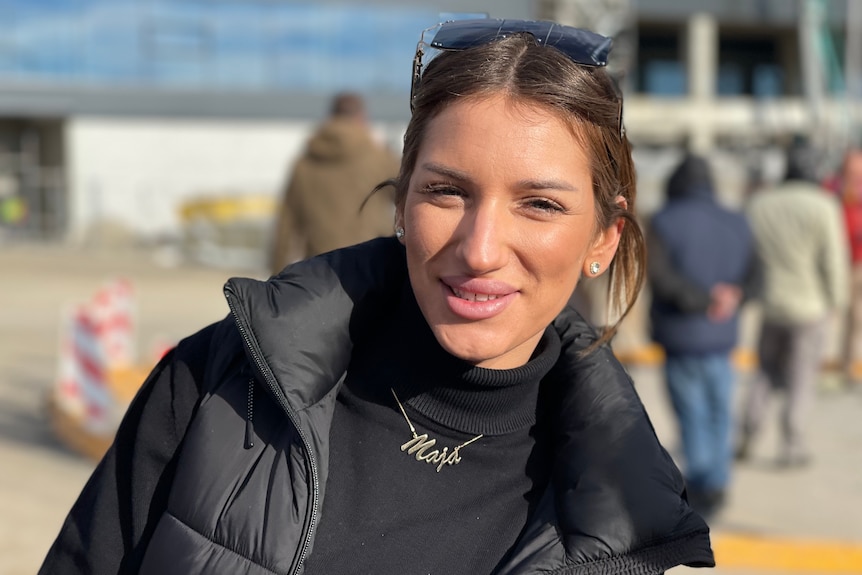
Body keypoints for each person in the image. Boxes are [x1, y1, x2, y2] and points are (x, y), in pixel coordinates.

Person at [40, 19, 714, 574]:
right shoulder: (218, 382)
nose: (480, 249)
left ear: (604, 238)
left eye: (538, 204)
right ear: (401, 201)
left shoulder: (627, 525)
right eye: (447, 191)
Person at [647, 153, 759, 519]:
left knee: (692, 412)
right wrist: (732, 296)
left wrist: (701, 300)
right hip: (723, 336)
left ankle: (703, 486)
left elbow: (661, 279)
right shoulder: (737, 222)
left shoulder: (663, 221)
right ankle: (719, 479)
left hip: (680, 336)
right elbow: (757, 275)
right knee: (720, 411)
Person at [738, 142, 849, 468]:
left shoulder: (759, 204)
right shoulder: (824, 205)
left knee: (764, 371)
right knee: (801, 379)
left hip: (770, 302)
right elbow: (833, 259)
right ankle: (792, 443)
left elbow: (748, 254)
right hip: (809, 306)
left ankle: (749, 430)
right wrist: (836, 300)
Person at [269, 91, 400, 274]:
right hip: (372, 268)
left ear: (331, 116)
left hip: (321, 271)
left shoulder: (304, 163)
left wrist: (276, 273)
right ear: (361, 117)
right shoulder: (379, 157)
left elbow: (286, 224)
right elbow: (407, 198)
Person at [824, 147, 862, 387]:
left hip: (858, 262)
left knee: (855, 317)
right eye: (851, 167)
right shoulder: (832, 188)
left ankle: (848, 365)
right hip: (835, 260)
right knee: (826, 314)